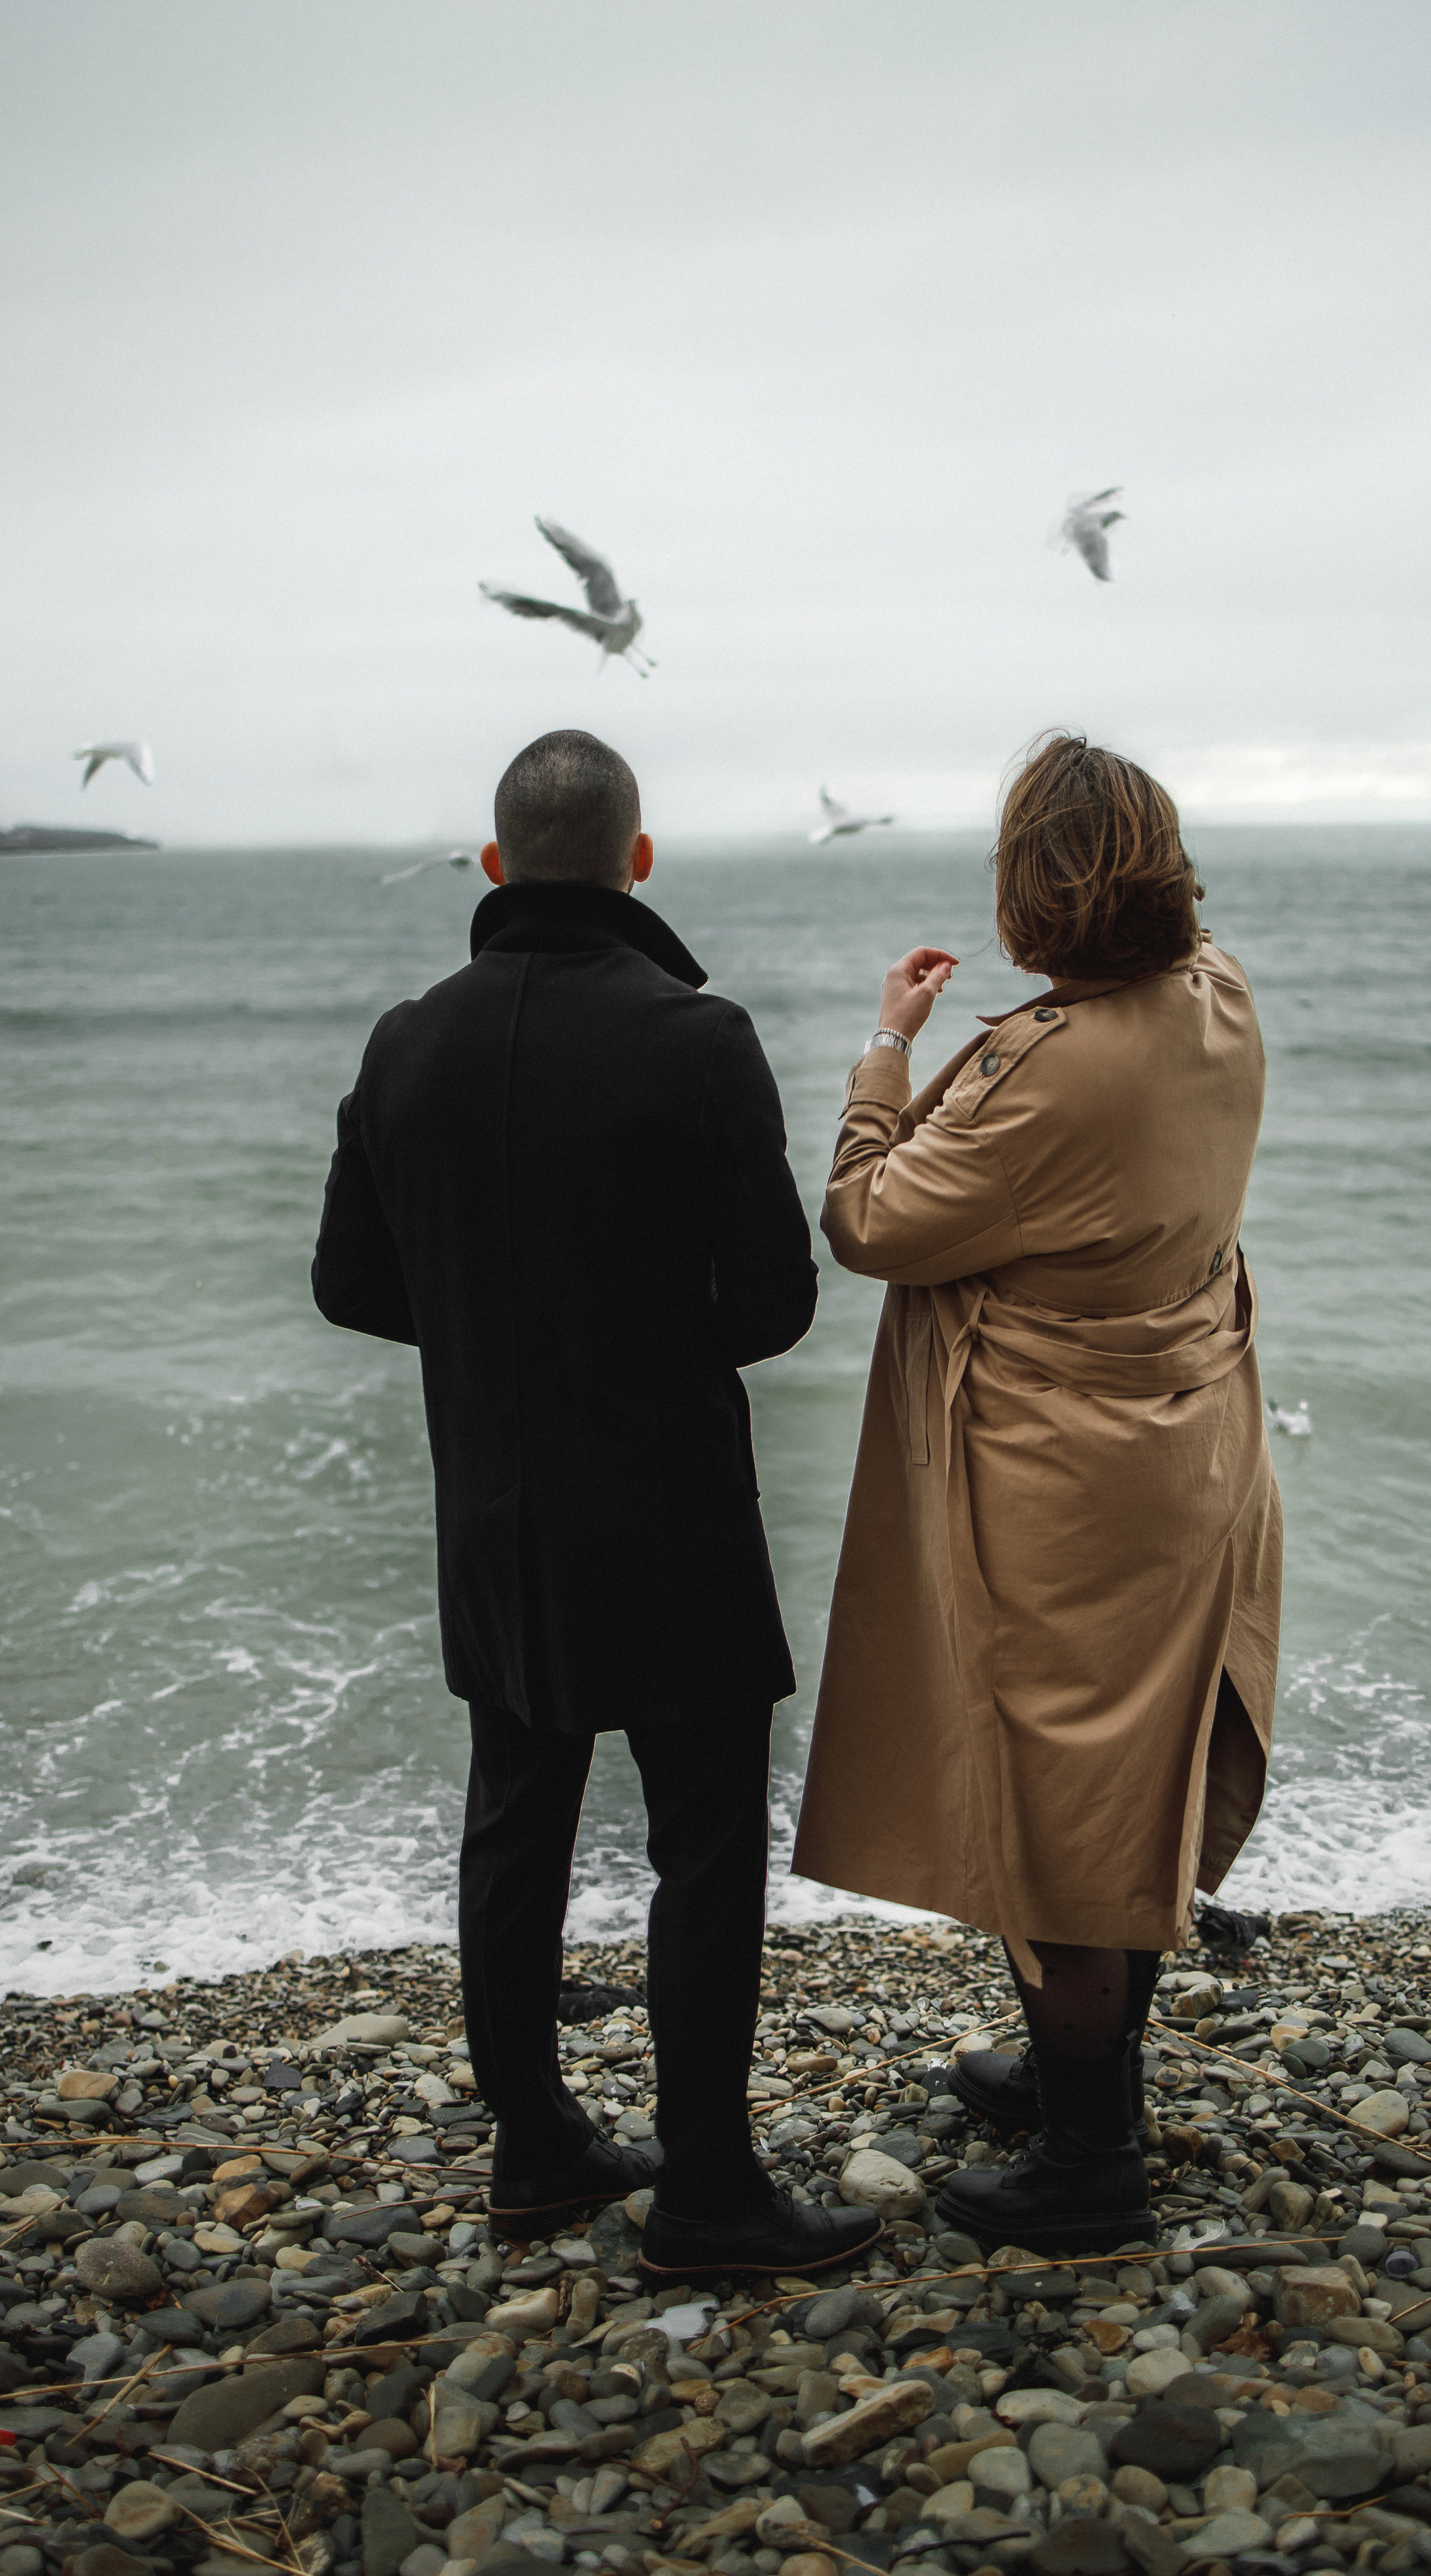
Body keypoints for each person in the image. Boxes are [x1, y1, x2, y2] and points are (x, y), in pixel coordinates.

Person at [312, 729, 880, 2280]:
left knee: (516, 1816)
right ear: (637, 858)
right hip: (665, 1506)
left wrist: (504, 1342)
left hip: (492, 1506)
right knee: (700, 1839)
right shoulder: (696, 1038)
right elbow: (770, 1306)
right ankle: (704, 2192)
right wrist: (620, 1340)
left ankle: (537, 2149)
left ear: (495, 867)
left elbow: (350, 1282)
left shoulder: (401, 1040)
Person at [792, 733, 1282, 2253]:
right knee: (1124, 1771)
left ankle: (1088, 2158)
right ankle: (1082, 2075)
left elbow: (870, 1223)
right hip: (1191, 1446)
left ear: (1028, 887)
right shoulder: (1218, 997)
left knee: (1060, 1789)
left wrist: (887, 1052)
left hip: (1060, 1480)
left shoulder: (1048, 1073)